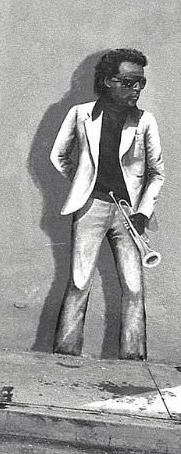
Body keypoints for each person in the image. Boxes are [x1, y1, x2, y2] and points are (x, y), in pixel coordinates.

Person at [51, 48, 164, 360]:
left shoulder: (145, 121)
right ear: (107, 81)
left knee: (134, 288)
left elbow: (157, 173)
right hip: (91, 209)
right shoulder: (80, 113)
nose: (136, 90)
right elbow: (59, 155)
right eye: (128, 82)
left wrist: (143, 211)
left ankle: (133, 361)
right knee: (78, 282)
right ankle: (64, 356)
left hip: (130, 214)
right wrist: (83, 183)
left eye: (141, 83)